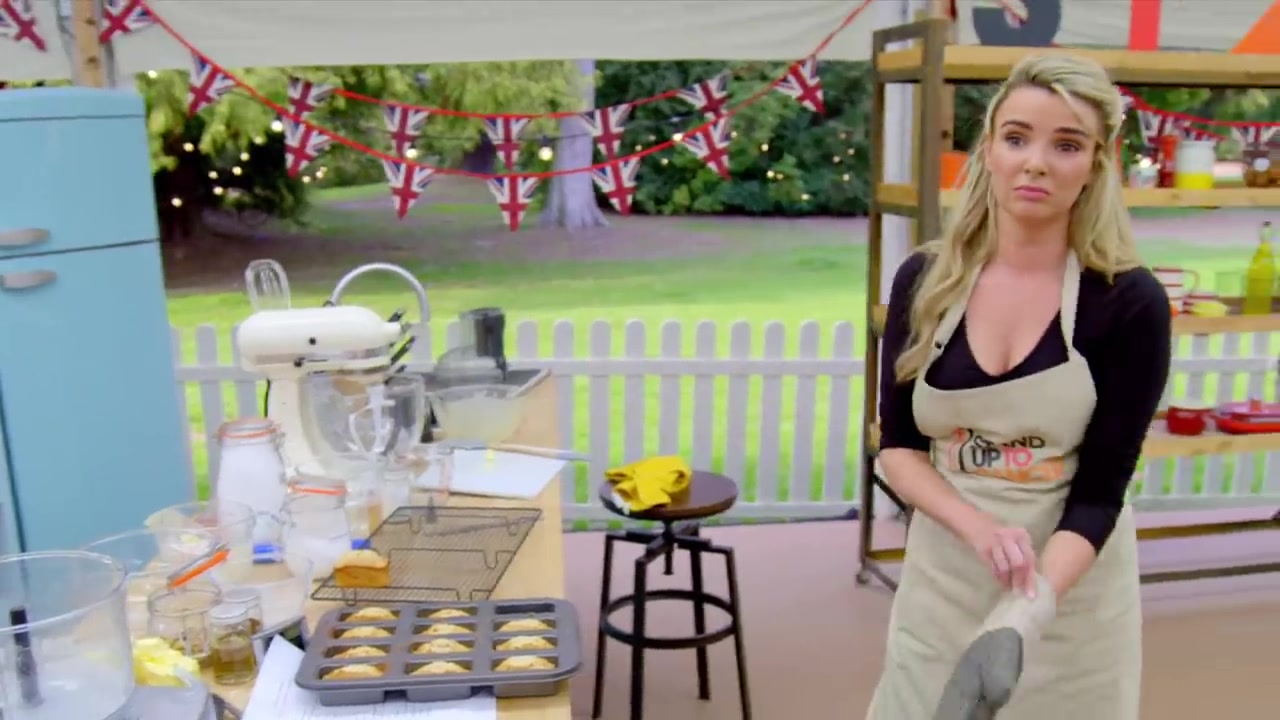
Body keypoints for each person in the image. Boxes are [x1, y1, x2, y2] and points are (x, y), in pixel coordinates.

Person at [865, 52, 1172, 719]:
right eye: (1017, 138)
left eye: (1066, 145)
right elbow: (900, 448)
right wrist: (977, 527)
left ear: (1096, 164)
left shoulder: (1129, 303)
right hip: (944, 583)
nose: (1036, 162)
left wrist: (1021, 618)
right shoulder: (925, 281)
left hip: (1064, 597)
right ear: (989, 150)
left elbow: (1101, 493)